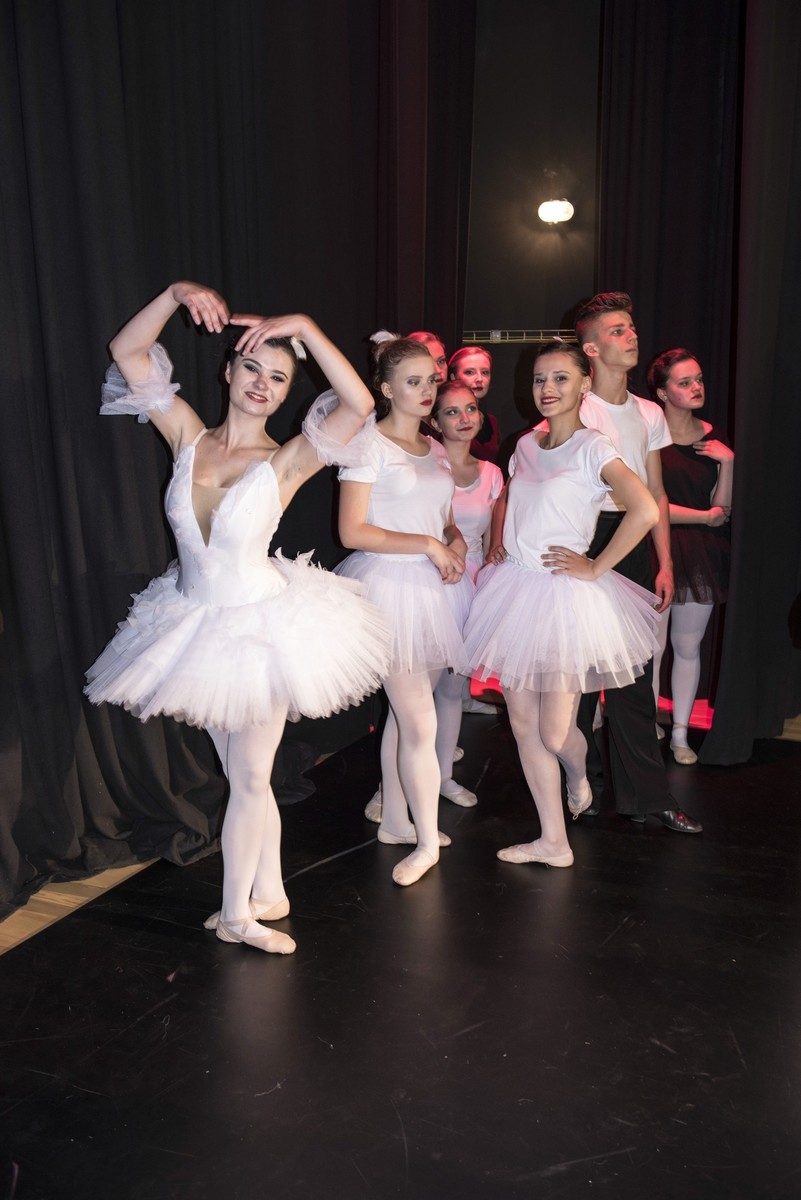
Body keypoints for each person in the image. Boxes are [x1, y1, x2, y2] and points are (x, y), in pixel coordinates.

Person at [85, 281, 391, 954]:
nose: (262, 384)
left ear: (286, 394)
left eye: (278, 378)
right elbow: (127, 351)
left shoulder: (287, 459)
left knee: (251, 778)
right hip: (196, 624)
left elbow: (360, 404)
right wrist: (175, 294)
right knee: (242, 777)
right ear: (228, 370)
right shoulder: (186, 434)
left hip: (260, 628)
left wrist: (305, 325)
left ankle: (233, 916)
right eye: (252, 367)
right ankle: (270, 889)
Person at [463, 341, 660, 867]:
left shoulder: (594, 447)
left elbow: (644, 509)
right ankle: (554, 841)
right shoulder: (525, 445)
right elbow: (510, 498)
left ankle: (577, 774)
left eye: (560, 378)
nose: (547, 389)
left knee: (555, 732)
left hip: (565, 597)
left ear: (584, 384)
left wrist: (596, 566)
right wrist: (499, 544)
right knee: (524, 726)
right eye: (539, 379)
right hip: (515, 589)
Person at [336, 333, 470, 886]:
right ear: (386, 388)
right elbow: (352, 531)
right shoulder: (367, 444)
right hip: (388, 588)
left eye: (431, 380)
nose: (426, 390)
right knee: (420, 720)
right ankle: (425, 841)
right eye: (413, 381)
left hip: (434, 592)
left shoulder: (434, 448)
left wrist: (455, 541)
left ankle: (395, 820)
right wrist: (429, 545)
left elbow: (444, 518)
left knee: (403, 715)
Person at [573, 292, 703, 832]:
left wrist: (665, 562)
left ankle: (646, 799)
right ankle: (578, 788)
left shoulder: (649, 411)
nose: (631, 336)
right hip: (586, 537)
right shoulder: (576, 405)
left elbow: (657, 493)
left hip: (636, 542)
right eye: (618, 330)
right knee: (581, 675)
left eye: (631, 328)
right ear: (592, 348)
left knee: (634, 675)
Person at [362, 380, 504, 824]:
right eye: (452, 411)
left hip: (465, 581)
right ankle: (391, 795)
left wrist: (462, 552)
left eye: (471, 409)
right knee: (412, 702)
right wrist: (441, 546)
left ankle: (441, 777)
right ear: (435, 420)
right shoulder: (423, 457)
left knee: (451, 689)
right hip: (419, 577)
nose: (464, 418)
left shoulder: (491, 473)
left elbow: (479, 535)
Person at [647, 349, 734, 764]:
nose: (696, 387)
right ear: (663, 393)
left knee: (687, 645)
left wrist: (728, 464)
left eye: (698, 379)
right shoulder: (649, 436)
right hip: (655, 547)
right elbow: (650, 503)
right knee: (651, 649)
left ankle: (680, 733)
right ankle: (646, 722)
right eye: (684, 382)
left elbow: (723, 508)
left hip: (700, 553)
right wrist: (704, 516)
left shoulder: (713, 438)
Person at [448, 346, 501, 463]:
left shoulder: (492, 422)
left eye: (485, 372)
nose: (479, 379)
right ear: (453, 377)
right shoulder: (445, 419)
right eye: (470, 372)